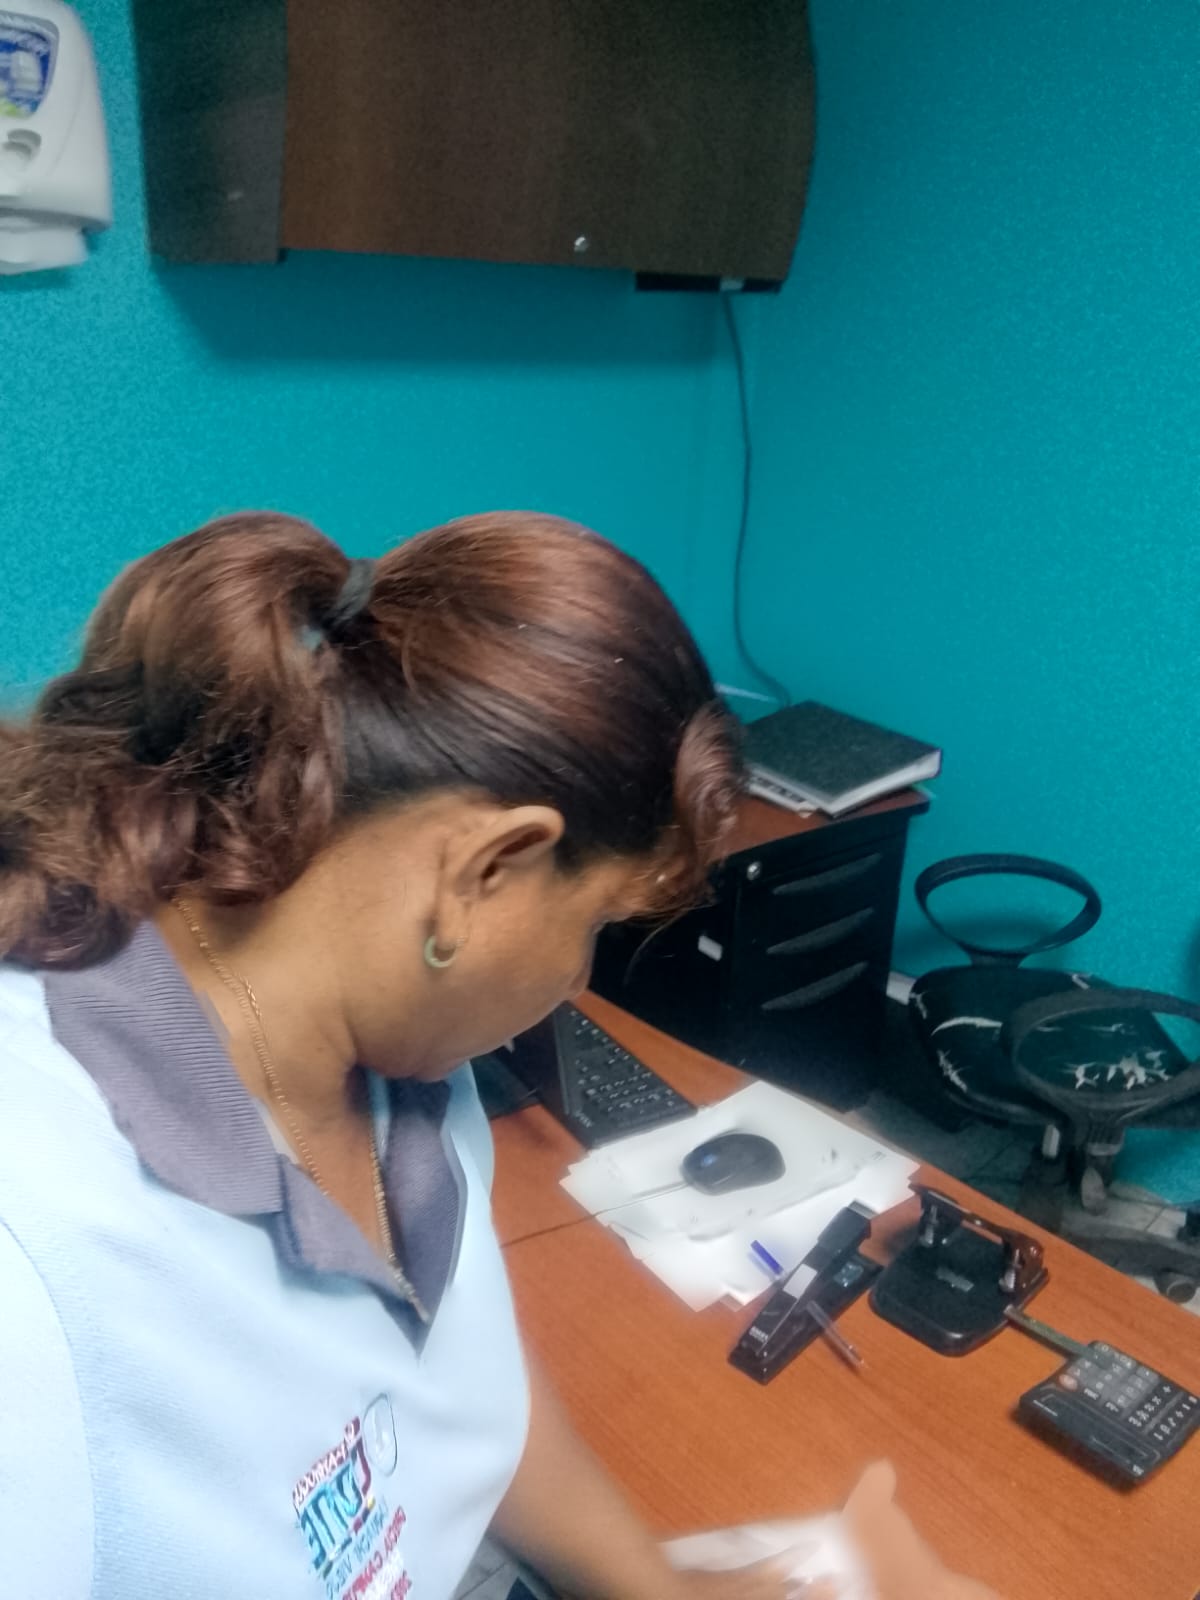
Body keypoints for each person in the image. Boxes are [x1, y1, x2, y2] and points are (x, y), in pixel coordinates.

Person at [0, 509, 999, 1600]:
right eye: (595, 925)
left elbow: (458, 1380)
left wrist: (657, 1592)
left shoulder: (398, 1050)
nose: (575, 983)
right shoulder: (37, 1262)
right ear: (487, 871)